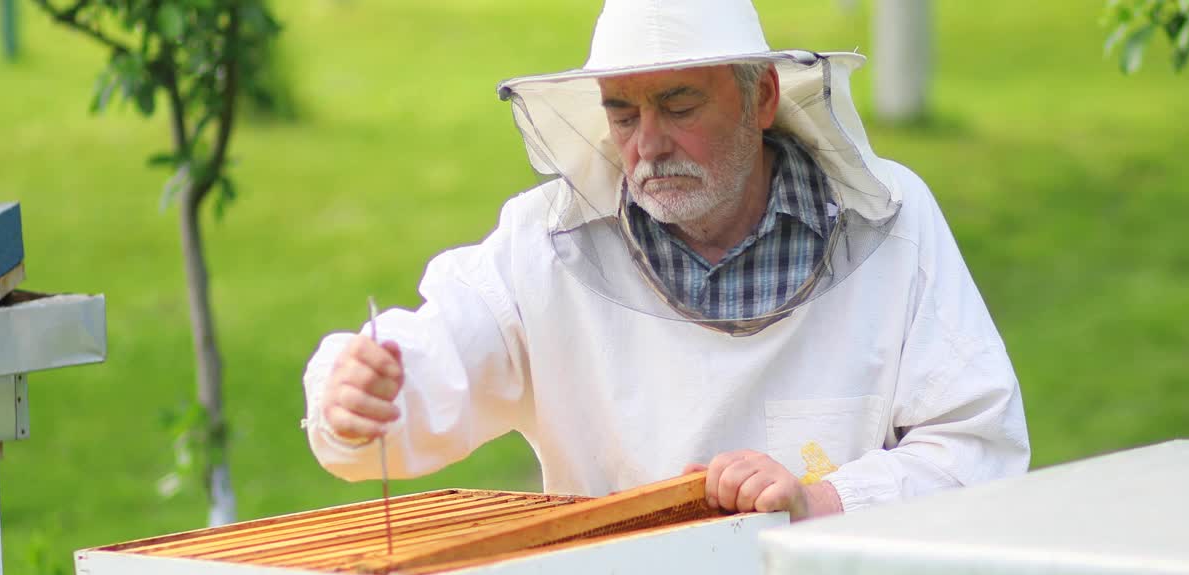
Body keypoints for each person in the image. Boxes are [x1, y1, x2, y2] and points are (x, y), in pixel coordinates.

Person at [302, 0, 1029, 522]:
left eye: (679, 106)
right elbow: (428, 369)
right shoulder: (543, 246)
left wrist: (821, 501)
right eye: (623, 113)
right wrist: (358, 393)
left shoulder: (889, 224)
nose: (647, 144)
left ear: (762, 97)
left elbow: (976, 447)